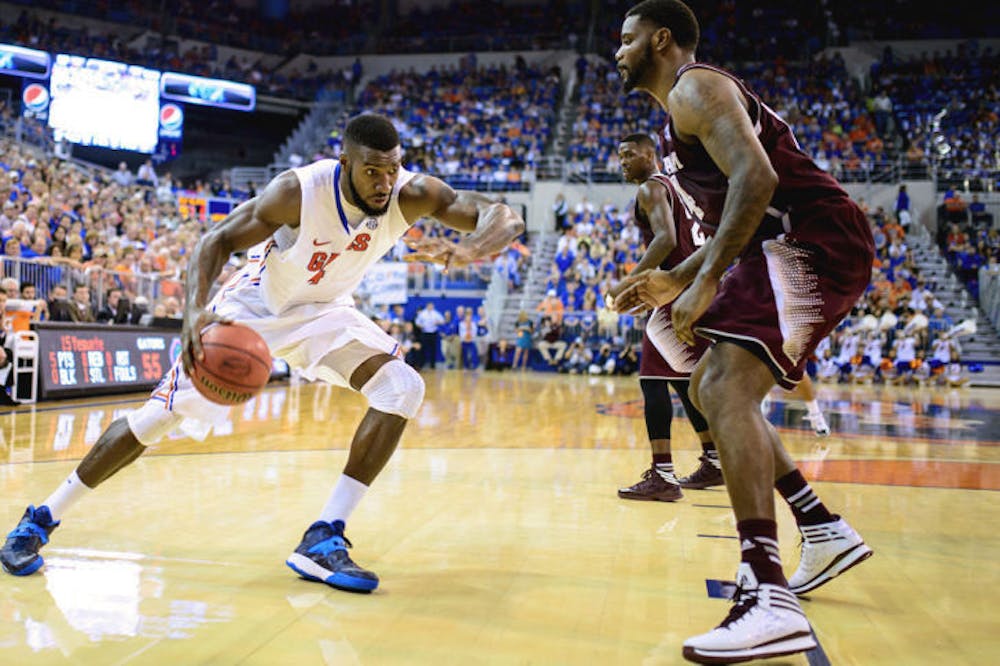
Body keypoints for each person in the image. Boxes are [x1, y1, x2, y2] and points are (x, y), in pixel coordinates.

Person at [0, 113, 524, 593]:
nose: (385, 183)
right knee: (154, 421)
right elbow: (215, 242)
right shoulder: (299, 191)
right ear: (345, 164)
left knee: (403, 386)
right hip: (253, 308)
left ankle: (323, 538)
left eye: (392, 170)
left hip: (325, 312)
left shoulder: (413, 194)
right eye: (372, 172)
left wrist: (471, 248)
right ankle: (40, 519)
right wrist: (193, 315)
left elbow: (505, 216)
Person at [613, 3, 874, 661]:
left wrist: (702, 282)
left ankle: (767, 594)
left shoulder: (696, 88)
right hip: (782, 242)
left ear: (660, 38)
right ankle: (819, 526)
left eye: (626, 38)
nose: (616, 51)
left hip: (813, 238)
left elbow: (759, 181)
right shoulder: (675, 121)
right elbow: (744, 214)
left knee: (722, 384)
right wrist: (680, 278)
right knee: (706, 387)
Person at [609, 133, 721, 503]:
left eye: (629, 154)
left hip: (671, 294)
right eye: (620, 156)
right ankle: (714, 459)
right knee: (681, 382)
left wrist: (632, 280)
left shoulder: (651, 189)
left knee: (652, 381)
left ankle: (663, 475)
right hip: (692, 291)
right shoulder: (677, 188)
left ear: (649, 154)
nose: (623, 161)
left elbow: (666, 240)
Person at [414, 301, 445, 369]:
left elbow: (442, 321)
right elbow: (417, 322)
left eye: (431, 306)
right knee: (423, 349)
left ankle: (432, 365)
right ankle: (422, 364)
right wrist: (420, 326)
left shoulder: (436, 313)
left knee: (433, 350)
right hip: (425, 333)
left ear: (433, 306)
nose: (430, 307)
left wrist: (438, 322)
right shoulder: (422, 313)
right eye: (429, 306)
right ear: (427, 306)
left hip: (433, 333)